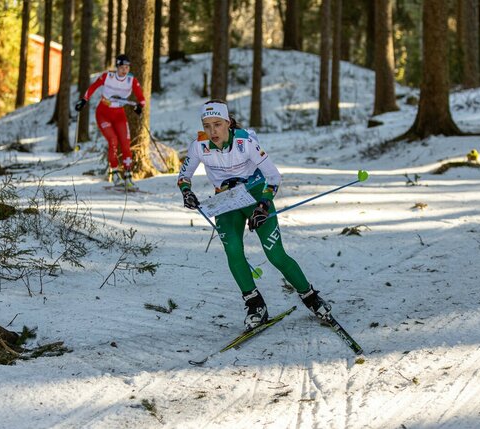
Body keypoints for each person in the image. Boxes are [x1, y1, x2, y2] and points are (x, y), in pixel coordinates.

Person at [177, 100, 332, 331]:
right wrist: (186, 192)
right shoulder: (199, 146)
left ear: (228, 123)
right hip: (226, 200)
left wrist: (264, 204)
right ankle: (255, 305)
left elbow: (274, 176)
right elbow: (183, 176)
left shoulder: (245, 141)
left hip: (256, 193)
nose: (212, 131)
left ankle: (310, 297)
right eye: (207, 126)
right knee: (233, 251)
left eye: (217, 124)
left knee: (275, 254)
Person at [75, 54, 145, 188]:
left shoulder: (131, 80)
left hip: (119, 114)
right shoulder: (108, 76)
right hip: (103, 113)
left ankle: (128, 176)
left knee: (125, 142)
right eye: (122, 67)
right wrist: (84, 100)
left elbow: (141, 97)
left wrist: (140, 107)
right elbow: (93, 87)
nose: (125, 70)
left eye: (127, 67)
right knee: (113, 140)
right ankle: (115, 173)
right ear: (117, 67)